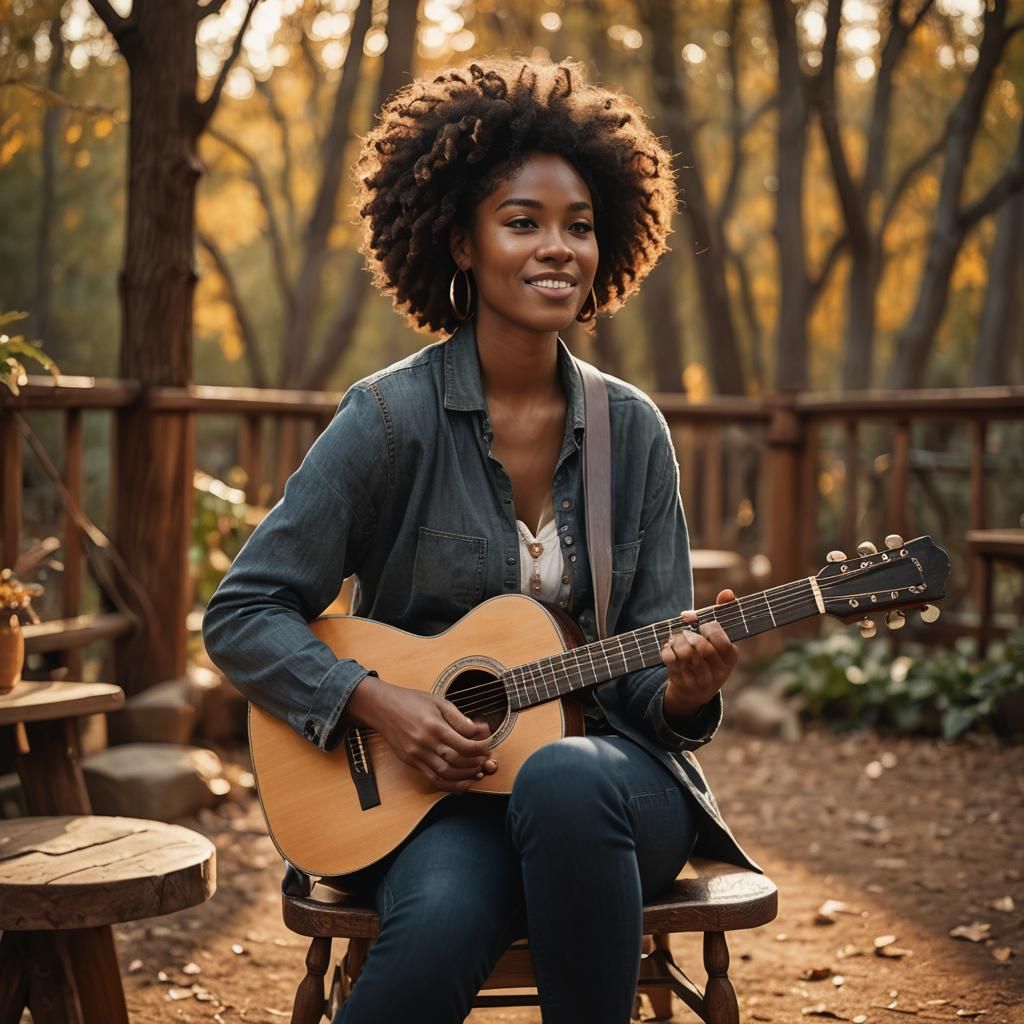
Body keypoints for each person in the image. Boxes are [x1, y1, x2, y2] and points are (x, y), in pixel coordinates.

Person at [203, 56, 759, 1024]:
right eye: (523, 222)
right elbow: (243, 611)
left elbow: (643, 679)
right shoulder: (388, 420)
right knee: (435, 932)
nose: (559, 248)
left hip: (615, 786)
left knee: (562, 773)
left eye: (579, 226)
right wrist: (378, 704)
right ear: (460, 242)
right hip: (437, 795)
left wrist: (680, 688)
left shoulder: (630, 431)